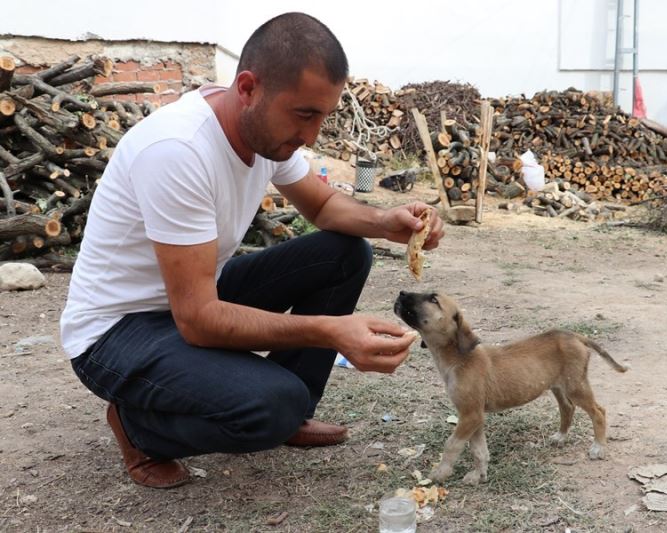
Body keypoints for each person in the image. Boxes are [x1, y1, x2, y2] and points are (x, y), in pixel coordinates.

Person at [60, 12, 444, 489]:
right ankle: (139, 429)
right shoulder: (178, 150)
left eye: (322, 116)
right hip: (116, 331)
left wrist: (388, 223)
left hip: (190, 299)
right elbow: (198, 319)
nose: (311, 136)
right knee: (270, 405)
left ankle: (292, 412)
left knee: (346, 252)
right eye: (304, 114)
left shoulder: (266, 137)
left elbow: (323, 205)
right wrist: (331, 331)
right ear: (247, 88)